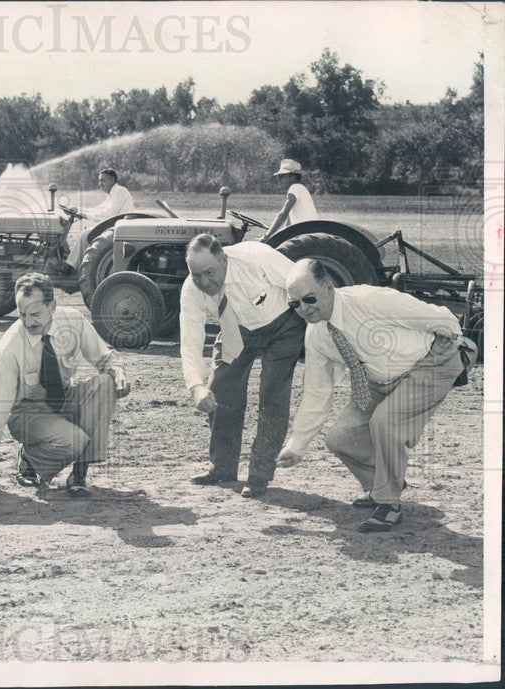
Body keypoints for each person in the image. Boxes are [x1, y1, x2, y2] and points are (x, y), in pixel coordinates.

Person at [277, 259, 475, 532]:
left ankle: (389, 504)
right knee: (340, 439)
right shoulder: (317, 336)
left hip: (429, 362)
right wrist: (297, 444)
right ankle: (382, 481)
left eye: (309, 298)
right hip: (379, 380)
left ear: (328, 286)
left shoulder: (369, 300)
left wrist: (456, 341)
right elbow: (317, 391)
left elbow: (438, 316)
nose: (304, 309)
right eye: (294, 304)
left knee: (384, 422)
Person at [0, 273, 130, 497]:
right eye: (22, 314)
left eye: (35, 314)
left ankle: (79, 475)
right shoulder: (10, 348)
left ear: (52, 306)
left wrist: (118, 372)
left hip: (64, 398)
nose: (28, 322)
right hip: (27, 412)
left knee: (103, 383)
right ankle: (30, 458)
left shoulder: (73, 320)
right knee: (73, 441)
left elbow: (105, 358)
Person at [179, 234, 305, 497]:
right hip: (237, 329)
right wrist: (195, 387)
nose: (204, 281)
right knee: (220, 390)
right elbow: (190, 341)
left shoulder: (257, 257)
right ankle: (222, 468)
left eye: (210, 272)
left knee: (272, 398)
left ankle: (259, 476)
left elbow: (302, 283)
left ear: (224, 259)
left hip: (283, 325)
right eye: (196, 274)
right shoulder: (191, 290)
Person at [65, 168, 135, 270]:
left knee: (86, 234)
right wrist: (78, 209)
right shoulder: (111, 194)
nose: (99, 184)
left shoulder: (120, 192)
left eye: (102, 180)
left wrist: (85, 215)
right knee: (86, 232)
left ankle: (69, 267)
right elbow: (97, 210)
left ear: (112, 179)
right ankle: (73, 263)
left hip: (118, 228)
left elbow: (108, 214)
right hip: (112, 225)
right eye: (99, 180)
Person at [268, 159, 317, 234]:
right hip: (307, 231)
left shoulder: (294, 188)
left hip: (304, 233)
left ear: (292, 177)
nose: (279, 180)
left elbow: (282, 215)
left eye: (282, 176)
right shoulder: (301, 188)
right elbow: (288, 225)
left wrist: (266, 236)